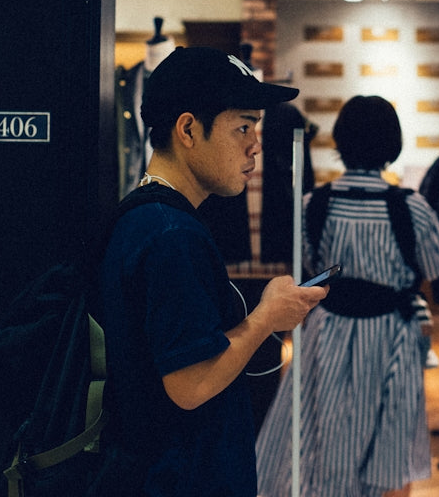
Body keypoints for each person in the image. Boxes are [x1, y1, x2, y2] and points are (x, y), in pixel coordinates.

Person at [98, 46, 328, 497]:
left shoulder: (146, 216)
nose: (255, 144)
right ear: (188, 129)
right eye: (242, 126)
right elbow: (191, 383)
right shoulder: (170, 234)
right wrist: (267, 317)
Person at [256, 95, 439, 497]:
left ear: (341, 141)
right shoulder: (412, 208)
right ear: (392, 143)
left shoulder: (314, 205)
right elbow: (434, 267)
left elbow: (309, 265)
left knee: (319, 439)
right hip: (391, 335)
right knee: (390, 443)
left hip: (327, 329)